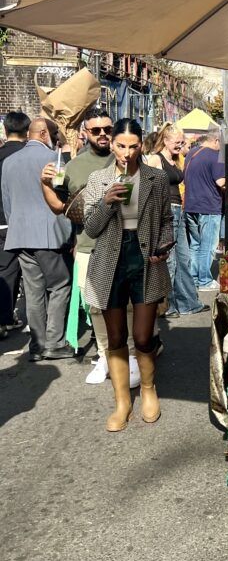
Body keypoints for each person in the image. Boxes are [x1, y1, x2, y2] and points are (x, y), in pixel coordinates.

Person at [40, 107, 142, 387]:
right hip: (89, 244)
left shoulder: (128, 156)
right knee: (95, 305)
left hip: (126, 242)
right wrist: (44, 184)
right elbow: (60, 208)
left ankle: (131, 356)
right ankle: (106, 356)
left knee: (129, 304)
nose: (102, 135)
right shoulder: (72, 166)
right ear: (85, 132)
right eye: (95, 130)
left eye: (107, 129)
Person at [83, 119, 173, 432]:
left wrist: (165, 244)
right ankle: (122, 401)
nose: (127, 152)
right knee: (117, 336)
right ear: (113, 145)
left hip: (146, 258)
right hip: (110, 260)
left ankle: (148, 389)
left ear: (141, 145)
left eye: (133, 146)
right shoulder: (98, 178)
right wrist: (107, 202)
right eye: (121, 145)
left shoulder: (157, 178)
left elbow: (166, 220)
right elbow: (91, 228)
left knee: (144, 336)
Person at [2, 117, 74, 361]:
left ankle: (37, 344)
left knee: (33, 292)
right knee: (60, 285)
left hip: (20, 234)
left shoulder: (9, 162)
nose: (55, 138)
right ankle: (54, 342)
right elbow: (61, 198)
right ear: (43, 134)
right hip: (48, 234)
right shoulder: (53, 159)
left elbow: (7, 202)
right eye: (54, 134)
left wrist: (18, 228)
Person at [145, 123, 207, 319]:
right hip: (165, 211)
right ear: (165, 140)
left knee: (183, 258)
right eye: (177, 142)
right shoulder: (156, 159)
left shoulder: (175, 160)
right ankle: (167, 305)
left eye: (182, 142)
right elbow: (145, 185)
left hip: (177, 210)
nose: (181, 146)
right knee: (170, 260)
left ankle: (188, 302)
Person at [183, 124, 225, 290]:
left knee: (195, 244)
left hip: (190, 205)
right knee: (208, 245)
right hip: (209, 206)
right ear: (216, 140)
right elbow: (221, 182)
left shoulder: (191, 153)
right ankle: (205, 280)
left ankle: (193, 278)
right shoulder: (216, 155)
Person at [0, 111, 30, 338]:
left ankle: (5, 317)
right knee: (31, 275)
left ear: (6, 130)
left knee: (6, 271)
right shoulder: (29, 156)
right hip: (25, 221)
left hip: (2, 221)